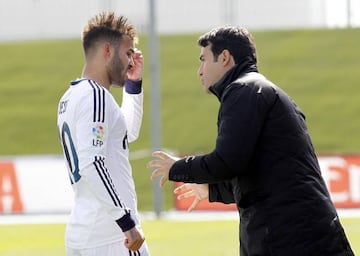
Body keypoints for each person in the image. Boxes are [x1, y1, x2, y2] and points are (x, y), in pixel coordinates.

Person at [148, 25, 354, 255]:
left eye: (203, 60)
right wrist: (212, 191)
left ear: (224, 57)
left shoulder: (244, 90)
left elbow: (227, 162)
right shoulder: (255, 90)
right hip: (300, 235)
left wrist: (177, 167)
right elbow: (259, 175)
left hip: (291, 239)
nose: (199, 70)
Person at [57, 11, 150, 256]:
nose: (132, 60)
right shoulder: (96, 96)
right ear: (107, 50)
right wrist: (126, 223)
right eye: (128, 53)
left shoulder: (71, 97)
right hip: (111, 237)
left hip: (85, 233)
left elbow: (127, 133)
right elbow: (92, 162)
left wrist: (133, 85)